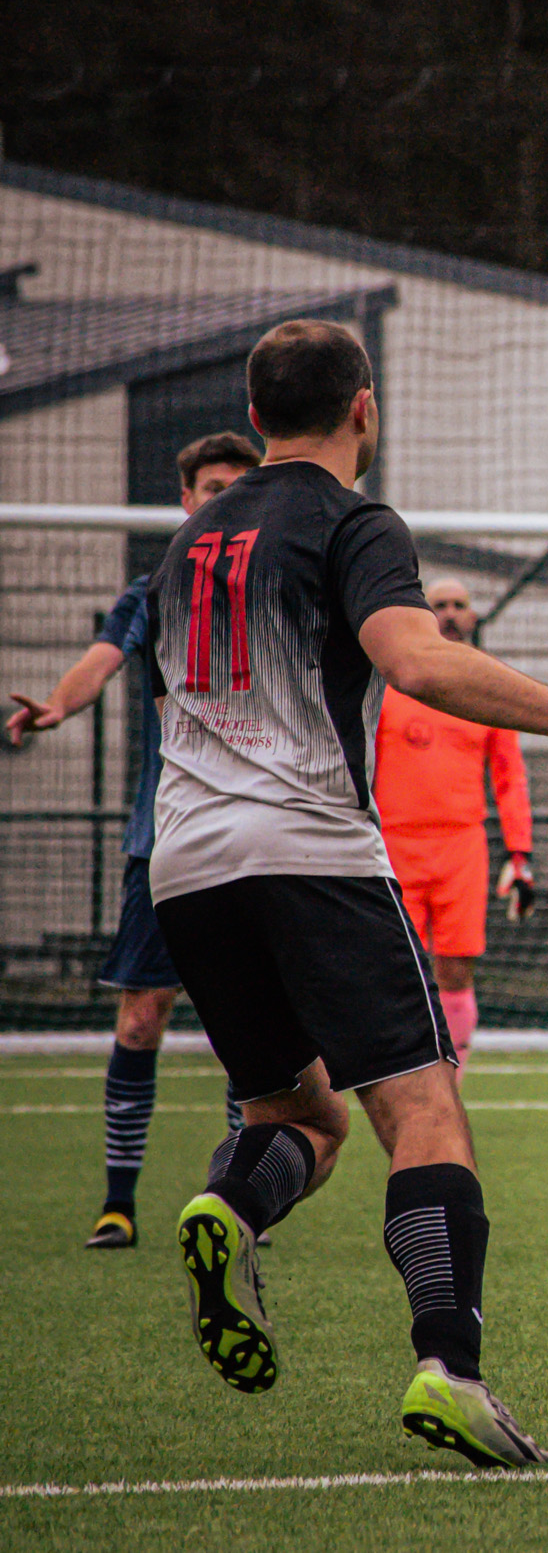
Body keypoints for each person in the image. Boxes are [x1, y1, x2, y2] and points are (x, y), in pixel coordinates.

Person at [143, 319, 548, 1466]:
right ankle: (448, 1367)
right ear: (366, 407)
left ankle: (233, 1207)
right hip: (311, 849)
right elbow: (419, 659)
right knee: (422, 1110)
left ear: (255, 418)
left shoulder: (188, 538)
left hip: (188, 866)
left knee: (297, 1116)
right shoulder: (352, 520)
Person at [8, 431, 263, 1249]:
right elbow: (102, 657)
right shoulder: (152, 591)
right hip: (166, 842)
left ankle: (236, 1202)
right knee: (141, 1018)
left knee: (246, 1032)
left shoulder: (278, 589)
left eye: (238, 486)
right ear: (185, 499)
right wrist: (56, 705)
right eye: (211, 485)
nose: (222, 497)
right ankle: (119, 1202)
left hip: (259, 840)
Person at [374, 579, 534, 1078]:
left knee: (456, 966)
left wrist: (520, 854)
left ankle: (452, 1075)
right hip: (394, 843)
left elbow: (509, 779)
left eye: (458, 605)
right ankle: (402, 1069)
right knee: (399, 969)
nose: (448, 613)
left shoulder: (489, 690)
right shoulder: (388, 685)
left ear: (472, 617)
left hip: (461, 844)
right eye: (437, 604)